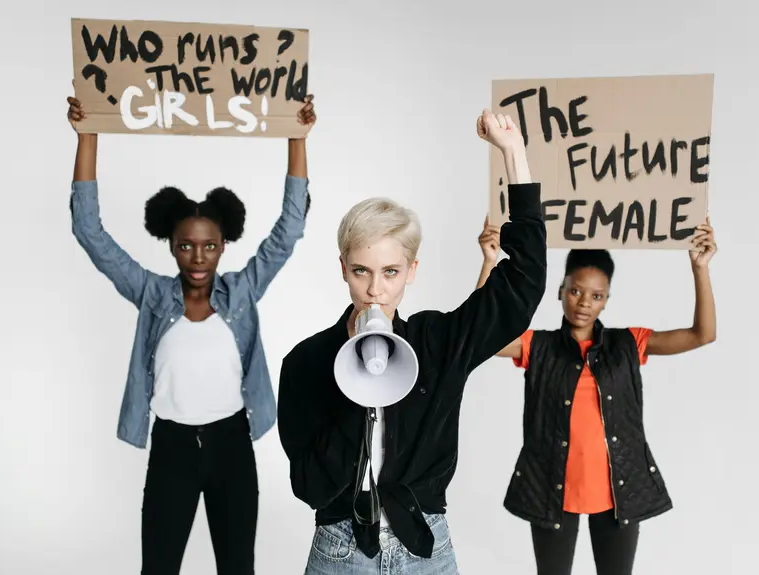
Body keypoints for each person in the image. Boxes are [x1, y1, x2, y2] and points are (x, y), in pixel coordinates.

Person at [277, 109, 548, 574]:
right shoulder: (305, 362)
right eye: (361, 271)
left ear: (412, 272)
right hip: (341, 551)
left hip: (425, 548)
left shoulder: (437, 342)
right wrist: (356, 388)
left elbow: (523, 284)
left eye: (390, 272)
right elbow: (309, 487)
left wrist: (514, 154)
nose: (375, 290)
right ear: (343, 268)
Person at [66, 90, 316, 575]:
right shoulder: (152, 295)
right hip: (172, 448)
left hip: (232, 446)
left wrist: (297, 137)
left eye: (208, 246)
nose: (197, 258)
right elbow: (89, 231)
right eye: (185, 246)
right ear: (171, 245)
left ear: (225, 245)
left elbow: (288, 229)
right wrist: (88, 132)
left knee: (237, 568)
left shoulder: (242, 292)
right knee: (158, 567)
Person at [474, 218, 718, 575]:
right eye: (576, 291)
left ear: (606, 301)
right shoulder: (538, 347)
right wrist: (489, 262)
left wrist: (699, 267)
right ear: (560, 289)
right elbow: (482, 335)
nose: (584, 303)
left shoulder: (628, 344)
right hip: (550, 492)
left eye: (596, 295)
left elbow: (702, 334)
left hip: (618, 494)